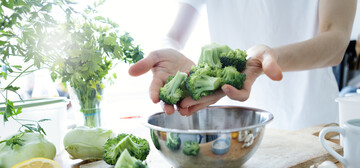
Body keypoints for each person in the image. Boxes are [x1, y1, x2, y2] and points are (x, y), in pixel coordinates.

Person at [129, 0, 357, 130]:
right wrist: (165, 49)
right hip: (235, 127)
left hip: (314, 128)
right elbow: (173, 35)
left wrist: (270, 57)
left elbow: (336, 39)